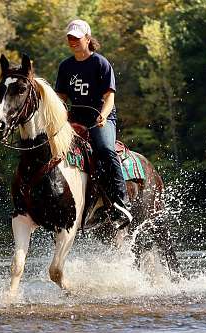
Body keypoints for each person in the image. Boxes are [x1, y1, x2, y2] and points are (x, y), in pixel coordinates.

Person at [55, 19, 133, 229]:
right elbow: (61, 98)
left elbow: (109, 97)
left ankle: (121, 203)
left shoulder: (100, 63)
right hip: (75, 119)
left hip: (100, 118)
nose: (73, 41)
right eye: (70, 38)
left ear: (88, 39)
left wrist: (104, 115)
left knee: (106, 150)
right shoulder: (65, 66)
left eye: (77, 38)